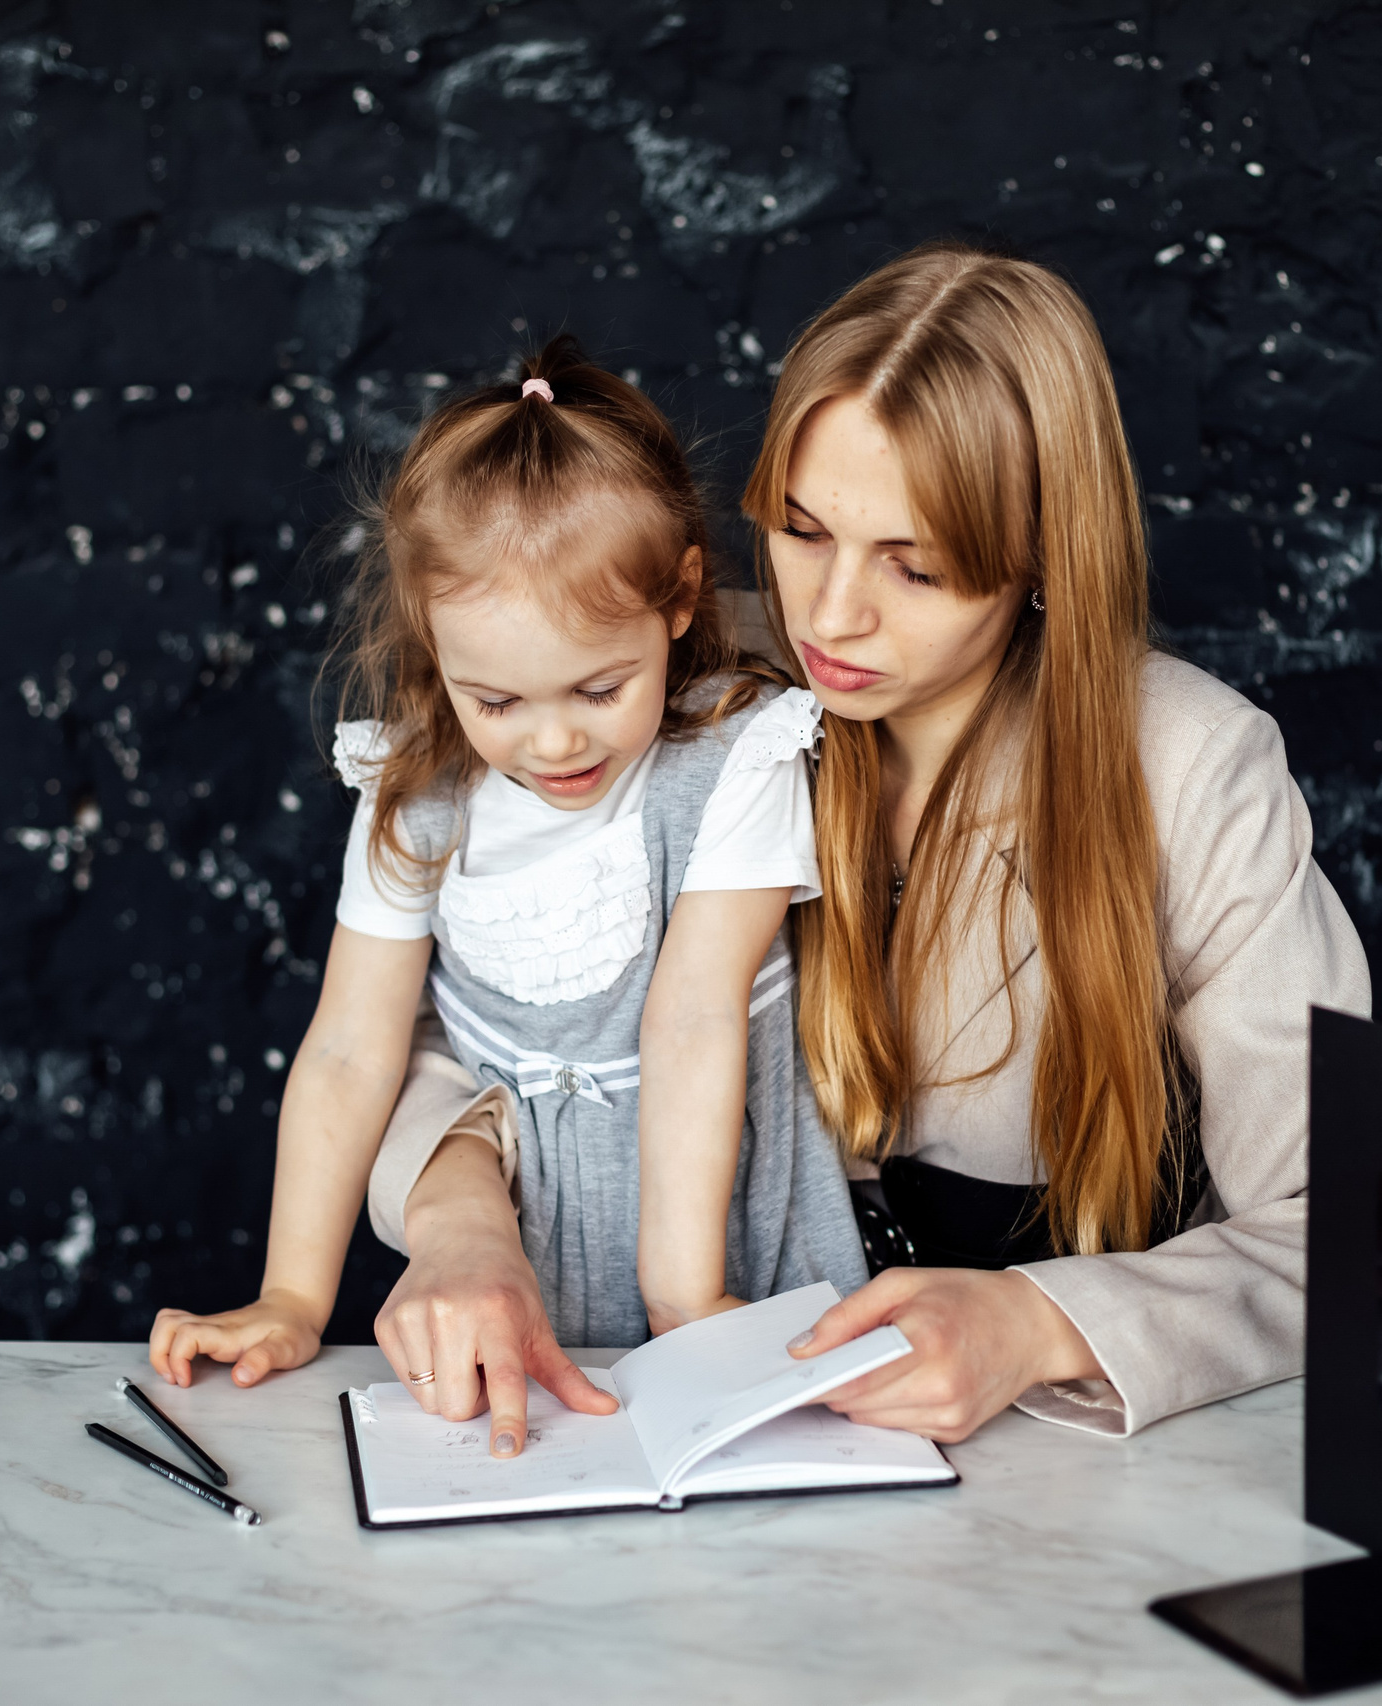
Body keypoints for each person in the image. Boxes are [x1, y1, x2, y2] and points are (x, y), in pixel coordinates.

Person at [369, 241, 1371, 1453]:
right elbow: (462, 1017)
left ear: (1042, 554)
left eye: (916, 565)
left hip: (1054, 1468)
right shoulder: (665, 689)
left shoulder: (1191, 766)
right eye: (800, 531)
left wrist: (1040, 1322)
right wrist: (461, 1218)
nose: (830, 615)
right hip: (681, 1414)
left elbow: (1343, 1222)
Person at [146, 338, 868, 1452]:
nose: (554, 741)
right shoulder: (416, 791)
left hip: (714, 1234)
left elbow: (693, 1015)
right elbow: (348, 1046)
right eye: (496, 701)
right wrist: (292, 1294)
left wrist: (685, 1298)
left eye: (599, 687)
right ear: (434, 649)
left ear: (680, 597)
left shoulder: (737, 753)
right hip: (521, 1262)